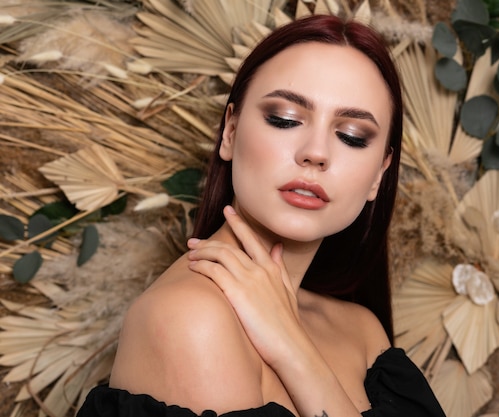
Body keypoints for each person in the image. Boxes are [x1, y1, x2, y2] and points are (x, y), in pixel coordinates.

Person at [77, 14, 446, 417]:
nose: (316, 152)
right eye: (284, 119)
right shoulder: (191, 318)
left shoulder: (360, 330)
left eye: (352, 136)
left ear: (379, 174)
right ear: (230, 132)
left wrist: (294, 347)